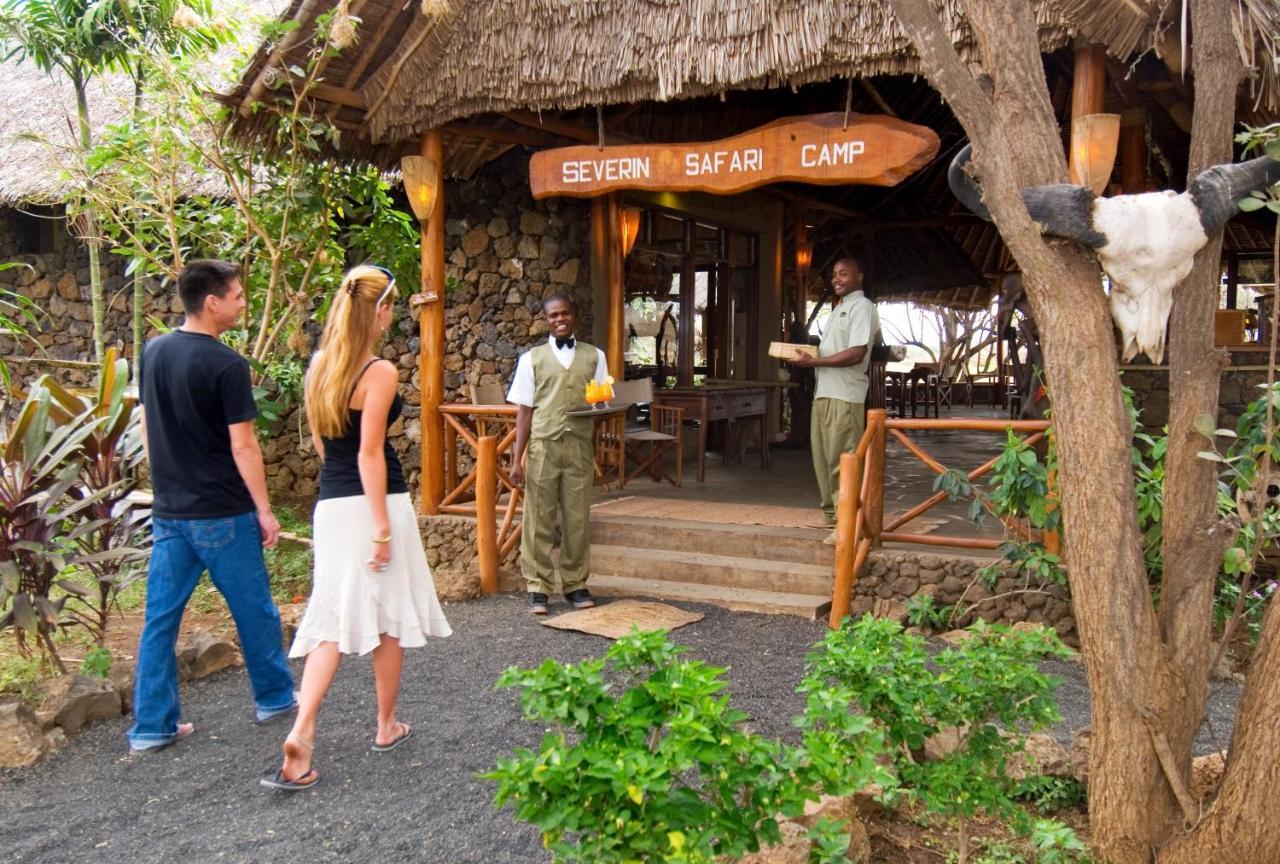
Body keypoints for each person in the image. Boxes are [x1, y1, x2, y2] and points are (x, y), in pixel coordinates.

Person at [263, 265, 451, 791]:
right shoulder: (380, 371)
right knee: (387, 619)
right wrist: (381, 527)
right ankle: (386, 725)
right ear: (383, 309)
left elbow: (326, 444)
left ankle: (303, 729)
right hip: (376, 502)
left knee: (331, 620)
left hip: (331, 504)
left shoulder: (318, 364)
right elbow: (370, 453)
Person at [128, 259, 296, 753]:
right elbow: (243, 446)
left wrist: (163, 486)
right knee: (255, 610)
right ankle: (275, 697)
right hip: (222, 510)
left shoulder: (153, 351)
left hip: (171, 512)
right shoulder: (227, 365)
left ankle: (151, 727)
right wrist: (264, 509)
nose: (244, 302)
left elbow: (145, 425)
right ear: (212, 302)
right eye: (239, 295)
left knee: (160, 619)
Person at [507, 292, 608, 615]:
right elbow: (524, 411)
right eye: (553, 315)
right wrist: (516, 459)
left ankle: (576, 584)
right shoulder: (531, 359)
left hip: (579, 446)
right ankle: (537, 587)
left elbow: (602, 401)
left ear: (574, 315)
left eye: (565, 313)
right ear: (546, 320)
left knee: (578, 517)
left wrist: (601, 403)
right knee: (539, 519)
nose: (560, 319)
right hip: (543, 447)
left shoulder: (595, 356)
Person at [788, 257, 880, 525]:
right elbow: (832, 352)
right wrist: (806, 356)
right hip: (824, 394)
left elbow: (856, 353)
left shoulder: (862, 307)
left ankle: (848, 522)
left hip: (845, 396)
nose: (836, 279)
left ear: (859, 276)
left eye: (843, 274)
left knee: (844, 462)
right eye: (834, 275)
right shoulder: (839, 308)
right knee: (824, 460)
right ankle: (833, 516)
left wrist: (814, 361)